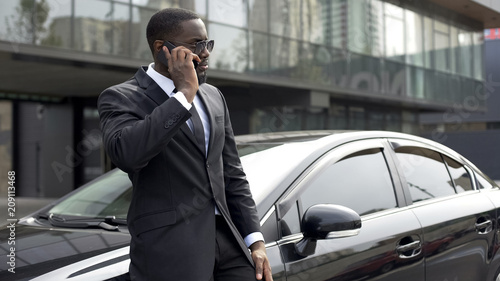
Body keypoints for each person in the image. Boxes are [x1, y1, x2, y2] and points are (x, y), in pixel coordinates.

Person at [97, 7, 273, 281]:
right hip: (171, 249)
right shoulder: (121, 97)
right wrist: (184, 94)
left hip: (230, 244)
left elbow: (232, 174)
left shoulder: (214, 96)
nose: (205, 53)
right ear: (162, 48)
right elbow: (127, 154)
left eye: (207, 43)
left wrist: (256, 241)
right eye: (195, 45)